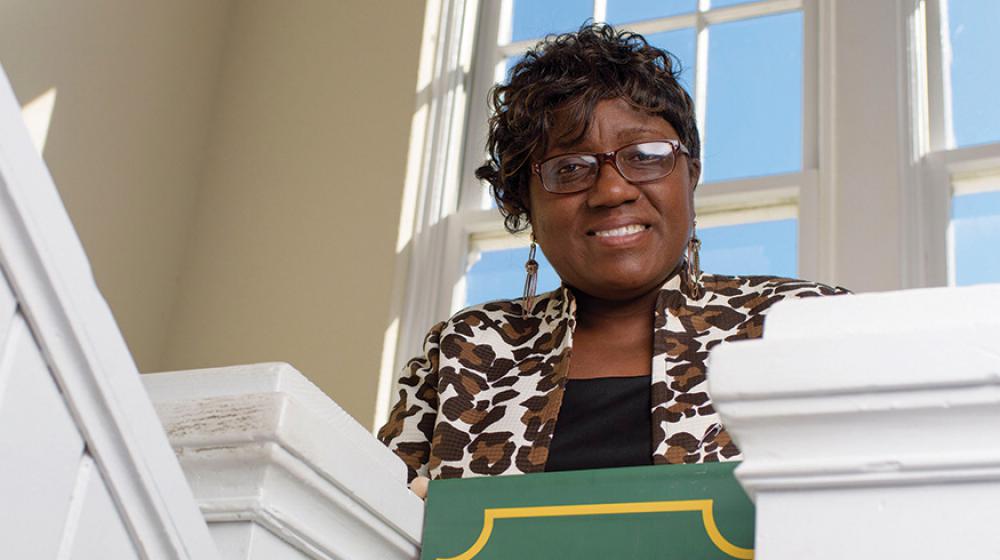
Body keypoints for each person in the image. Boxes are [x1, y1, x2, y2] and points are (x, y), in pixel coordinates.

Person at [377, 23, 847, 497]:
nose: (612, 190)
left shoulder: (802, 324)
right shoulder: (464, 353)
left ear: (691, 177)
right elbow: (370, 529)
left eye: (644, 155)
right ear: (526, 207)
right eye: (569, 168)